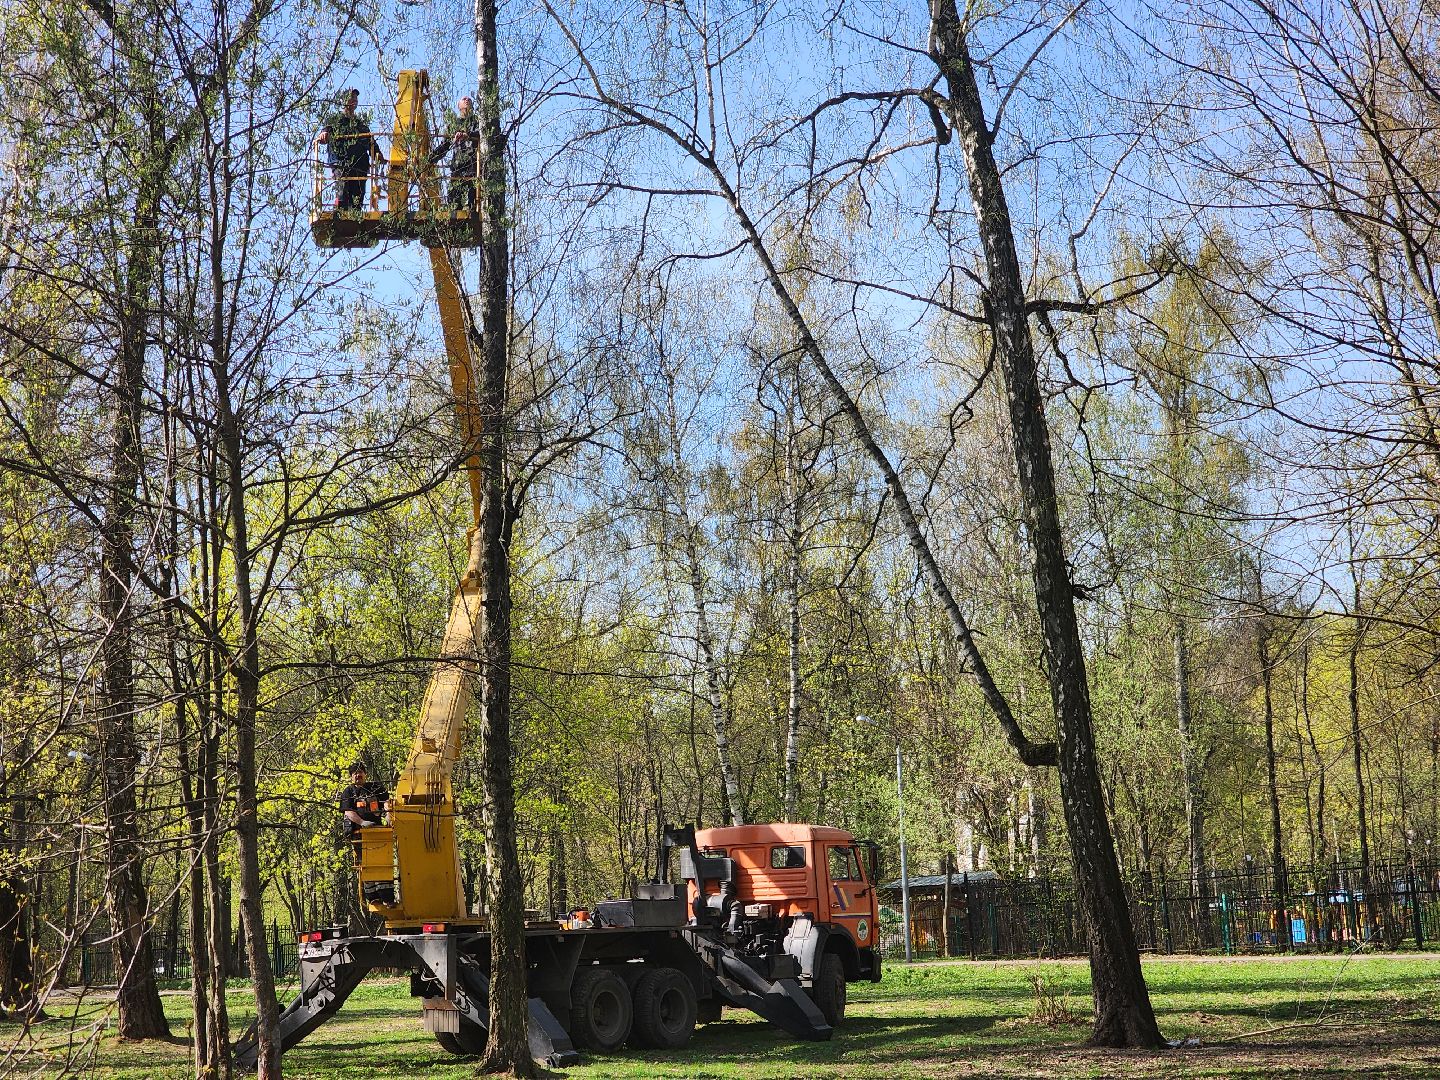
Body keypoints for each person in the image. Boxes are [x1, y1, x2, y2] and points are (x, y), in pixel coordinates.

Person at [316, 89, 383, 211]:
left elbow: (371, 142)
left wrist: (379, 156)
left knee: (357, 198)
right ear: (343, 101)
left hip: (360, 166)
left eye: (355, 98)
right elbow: (326, 130)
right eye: (351, 97)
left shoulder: (361, 125)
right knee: (343, 195)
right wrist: (323, 133)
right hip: (341, 164)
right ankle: (340, 216)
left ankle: (355, 220)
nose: (354, 100)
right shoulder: (335, 121)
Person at [430, 96, 480, 212]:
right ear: (459, 105)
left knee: (473, 200)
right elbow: (445, 145)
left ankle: (472, 211)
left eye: (469, 99)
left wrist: (467, 134)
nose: (467, 99)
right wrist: (430, 159)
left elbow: (481, 134)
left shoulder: (477, 121)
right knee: (454, 201)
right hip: (458, 165)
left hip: (473, 164)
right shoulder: (454, 123)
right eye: (464, 99)